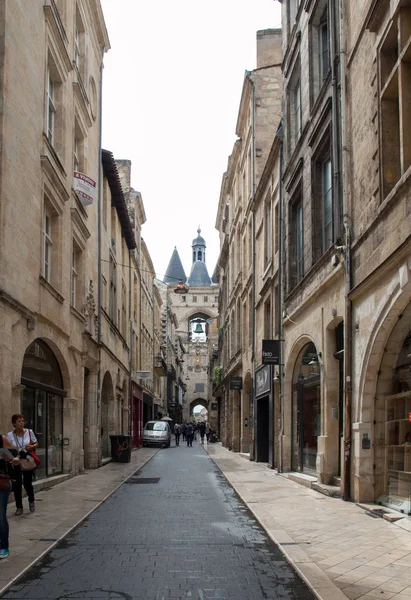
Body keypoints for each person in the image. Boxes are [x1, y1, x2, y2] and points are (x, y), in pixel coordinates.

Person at [7, 414, 38, 515]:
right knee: (17, 485)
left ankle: (31, 500)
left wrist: (32, 446)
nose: (21, 423)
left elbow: (36, 443)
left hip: (27, 459)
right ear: (14, 424)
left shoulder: (29, 432)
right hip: (16, 460)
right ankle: (19, 507)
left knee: (27, 483)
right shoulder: (10, 435)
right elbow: (7, 448)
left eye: (22, 421)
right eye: (19, 421)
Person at [0, 433, 21, 558]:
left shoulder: (2, 440)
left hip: (2, 484)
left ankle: (4, 546)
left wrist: (11, 460)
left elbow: (18, 459)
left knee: (1, 516)